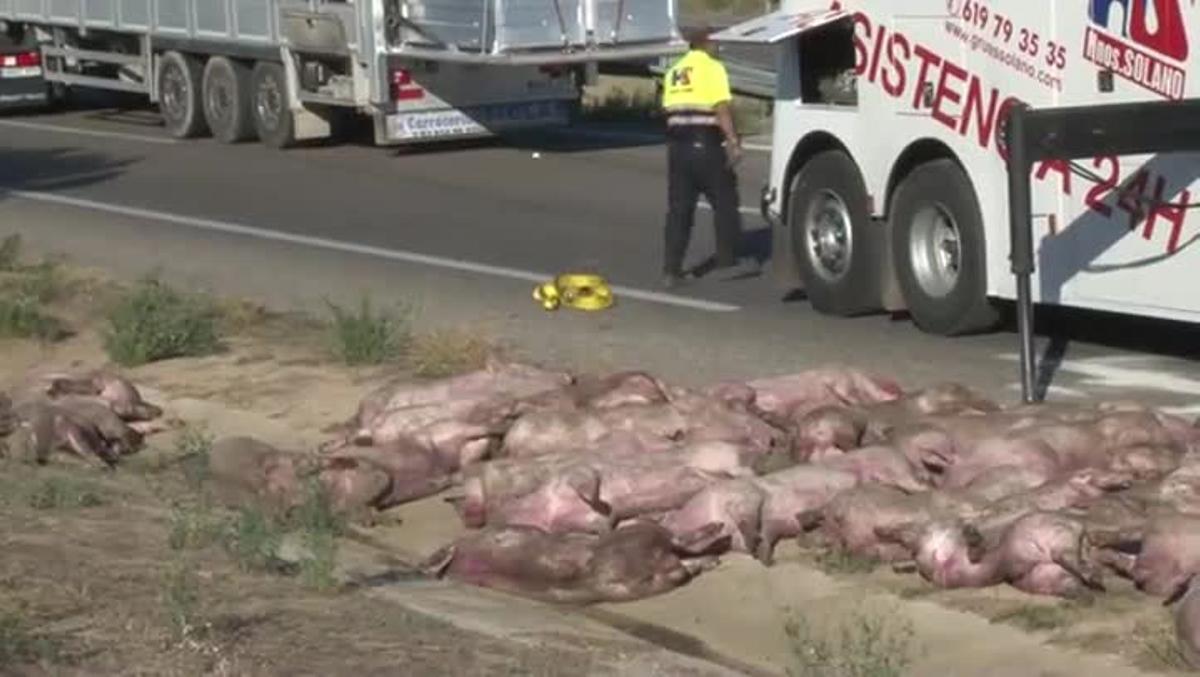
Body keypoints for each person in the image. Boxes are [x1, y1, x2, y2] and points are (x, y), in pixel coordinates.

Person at [659, 25, 757, 288]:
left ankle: (671, 270)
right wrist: (733, 141)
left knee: (679, 210)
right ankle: (727, 262)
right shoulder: (712, 68)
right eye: (716, 43)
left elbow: (667, 110)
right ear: (706, 43)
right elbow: (721, 107)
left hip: (677, 147)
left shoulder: (674, 71)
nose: (719, 48)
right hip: (706, 144)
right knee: (725, 202)